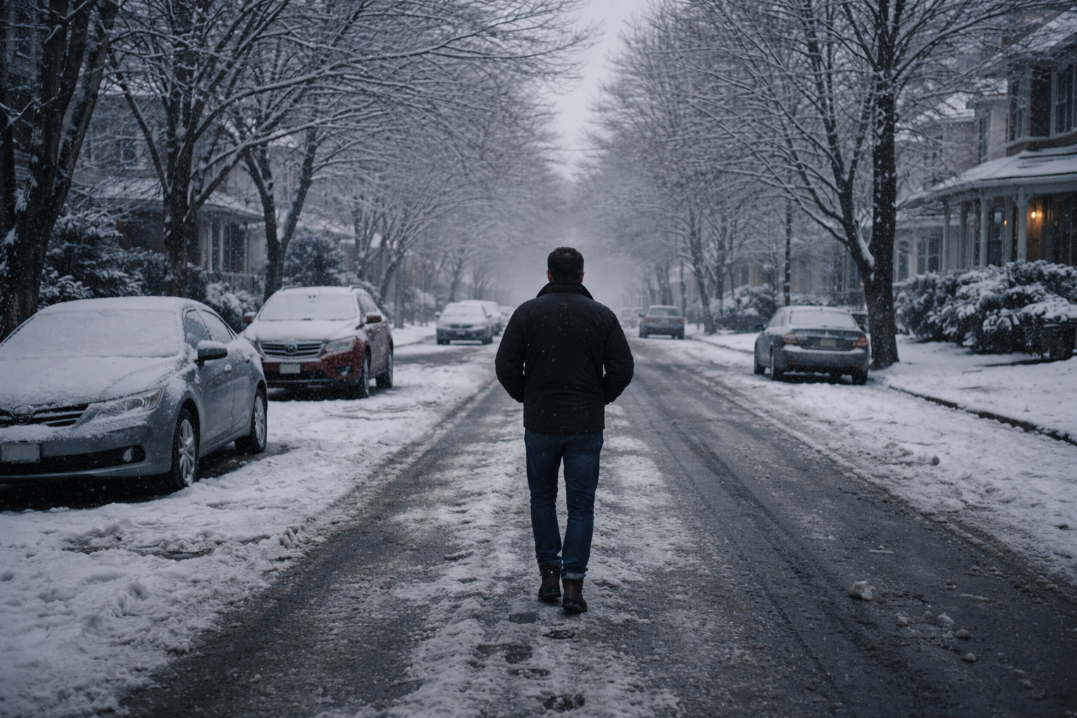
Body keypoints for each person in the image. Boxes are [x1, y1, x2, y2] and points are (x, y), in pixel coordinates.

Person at [494, 247, 634, 614]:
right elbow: (622, 367)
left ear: (549, 274)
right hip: (585, 425)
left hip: (541, 423)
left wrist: (528, 395)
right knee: (581, 505)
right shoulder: (601, 316)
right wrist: (598, 397)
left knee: (541, 498)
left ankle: (549, 577)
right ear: (582, 276)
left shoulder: (527, 313)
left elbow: (506, 364)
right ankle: (574, 584)